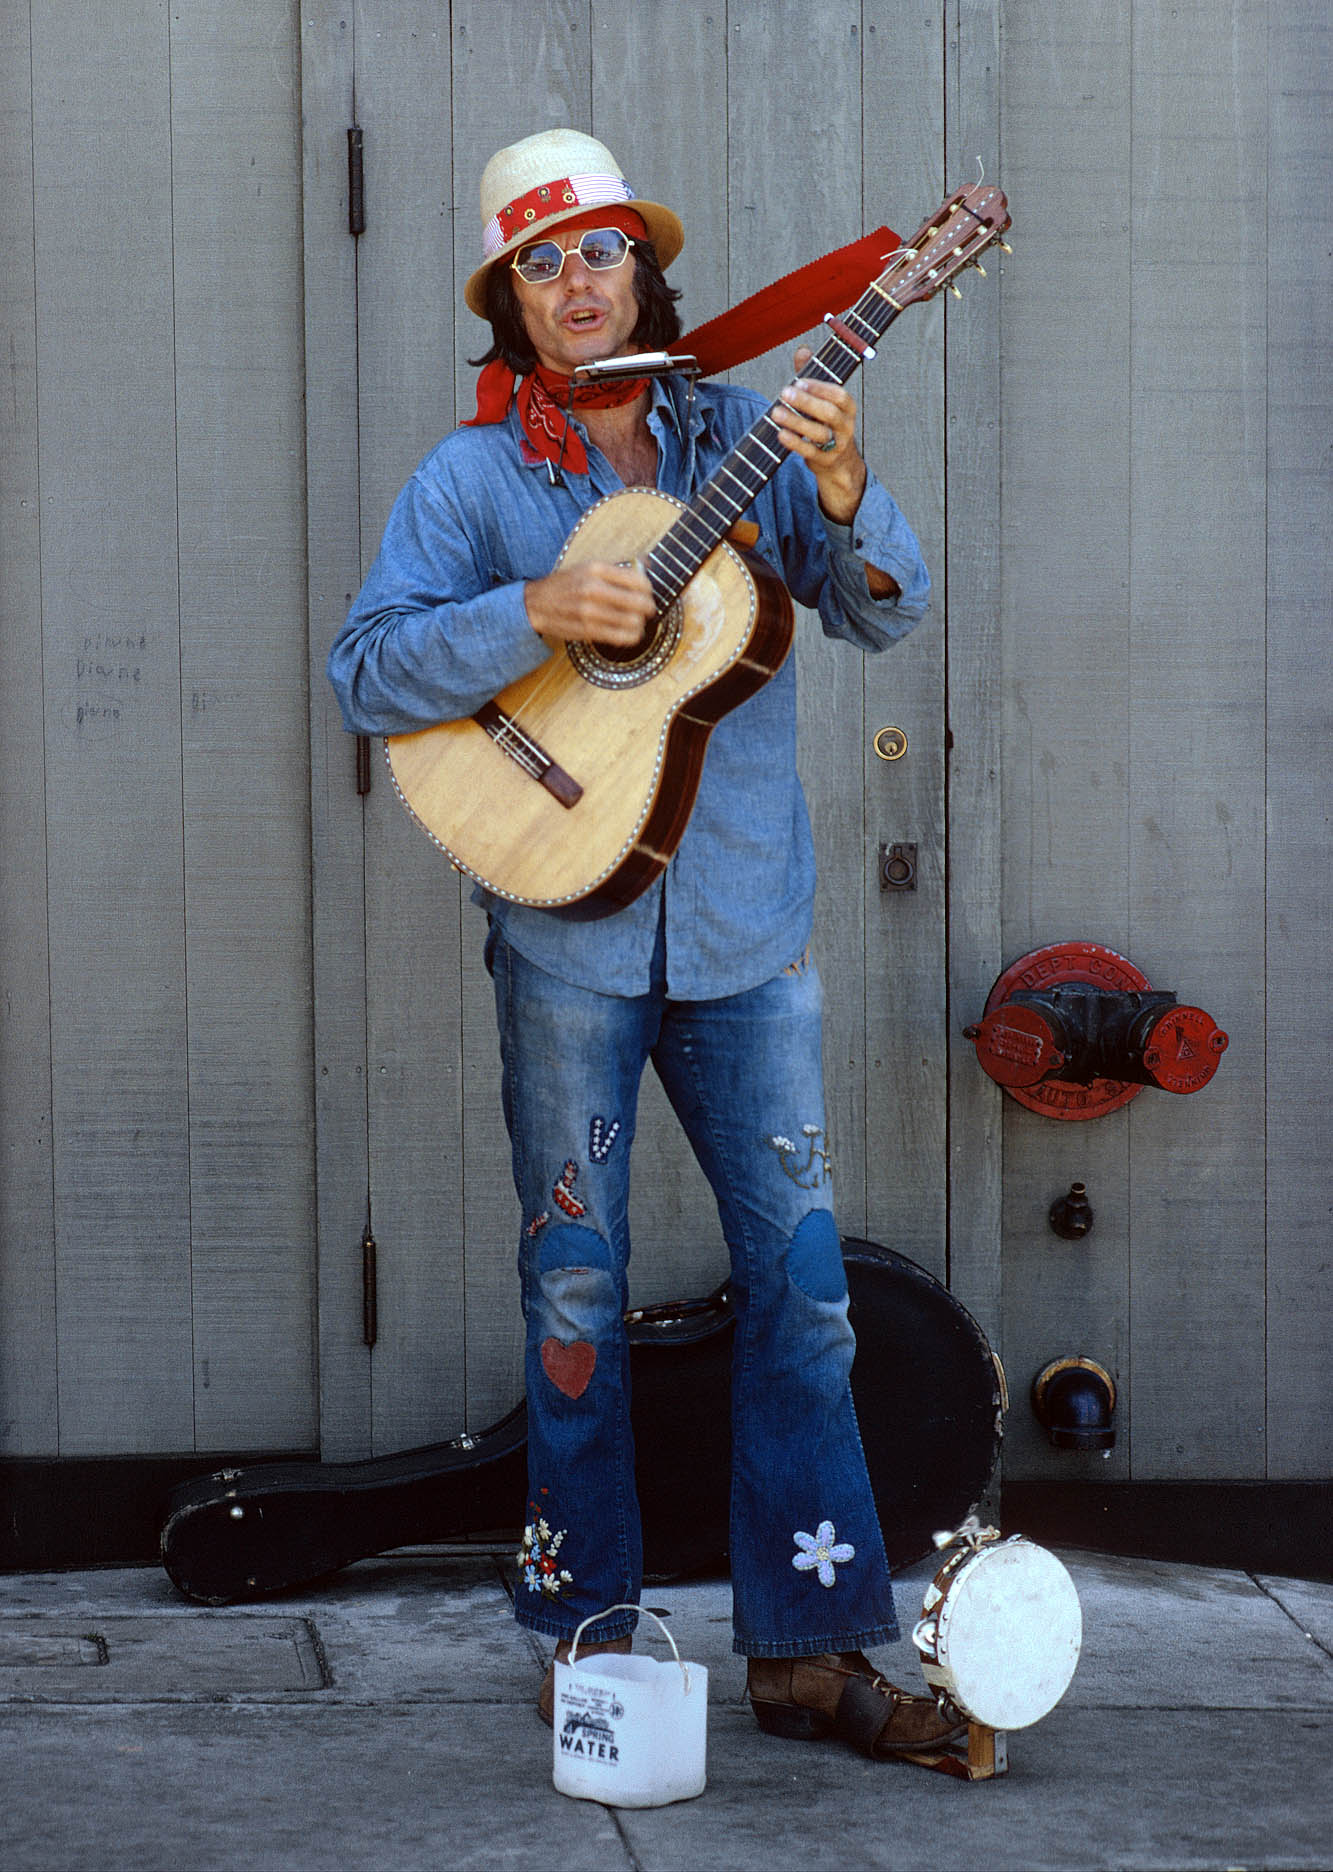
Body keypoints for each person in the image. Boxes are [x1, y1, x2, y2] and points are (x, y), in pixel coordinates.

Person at [328, 128, 958, 1761]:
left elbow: (886, 600)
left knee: (804, 1294)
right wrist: (529, 613)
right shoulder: (470, 484)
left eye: (598, 250)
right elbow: (368, 675)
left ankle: (812, 1649)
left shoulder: (742, 431)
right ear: (509, 300)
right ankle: (587, 1629)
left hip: (748, 931)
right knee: (576, 1288)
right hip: (562, 939)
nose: (576, 283)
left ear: (642, 268)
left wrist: (839, 486)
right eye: (540, 263)